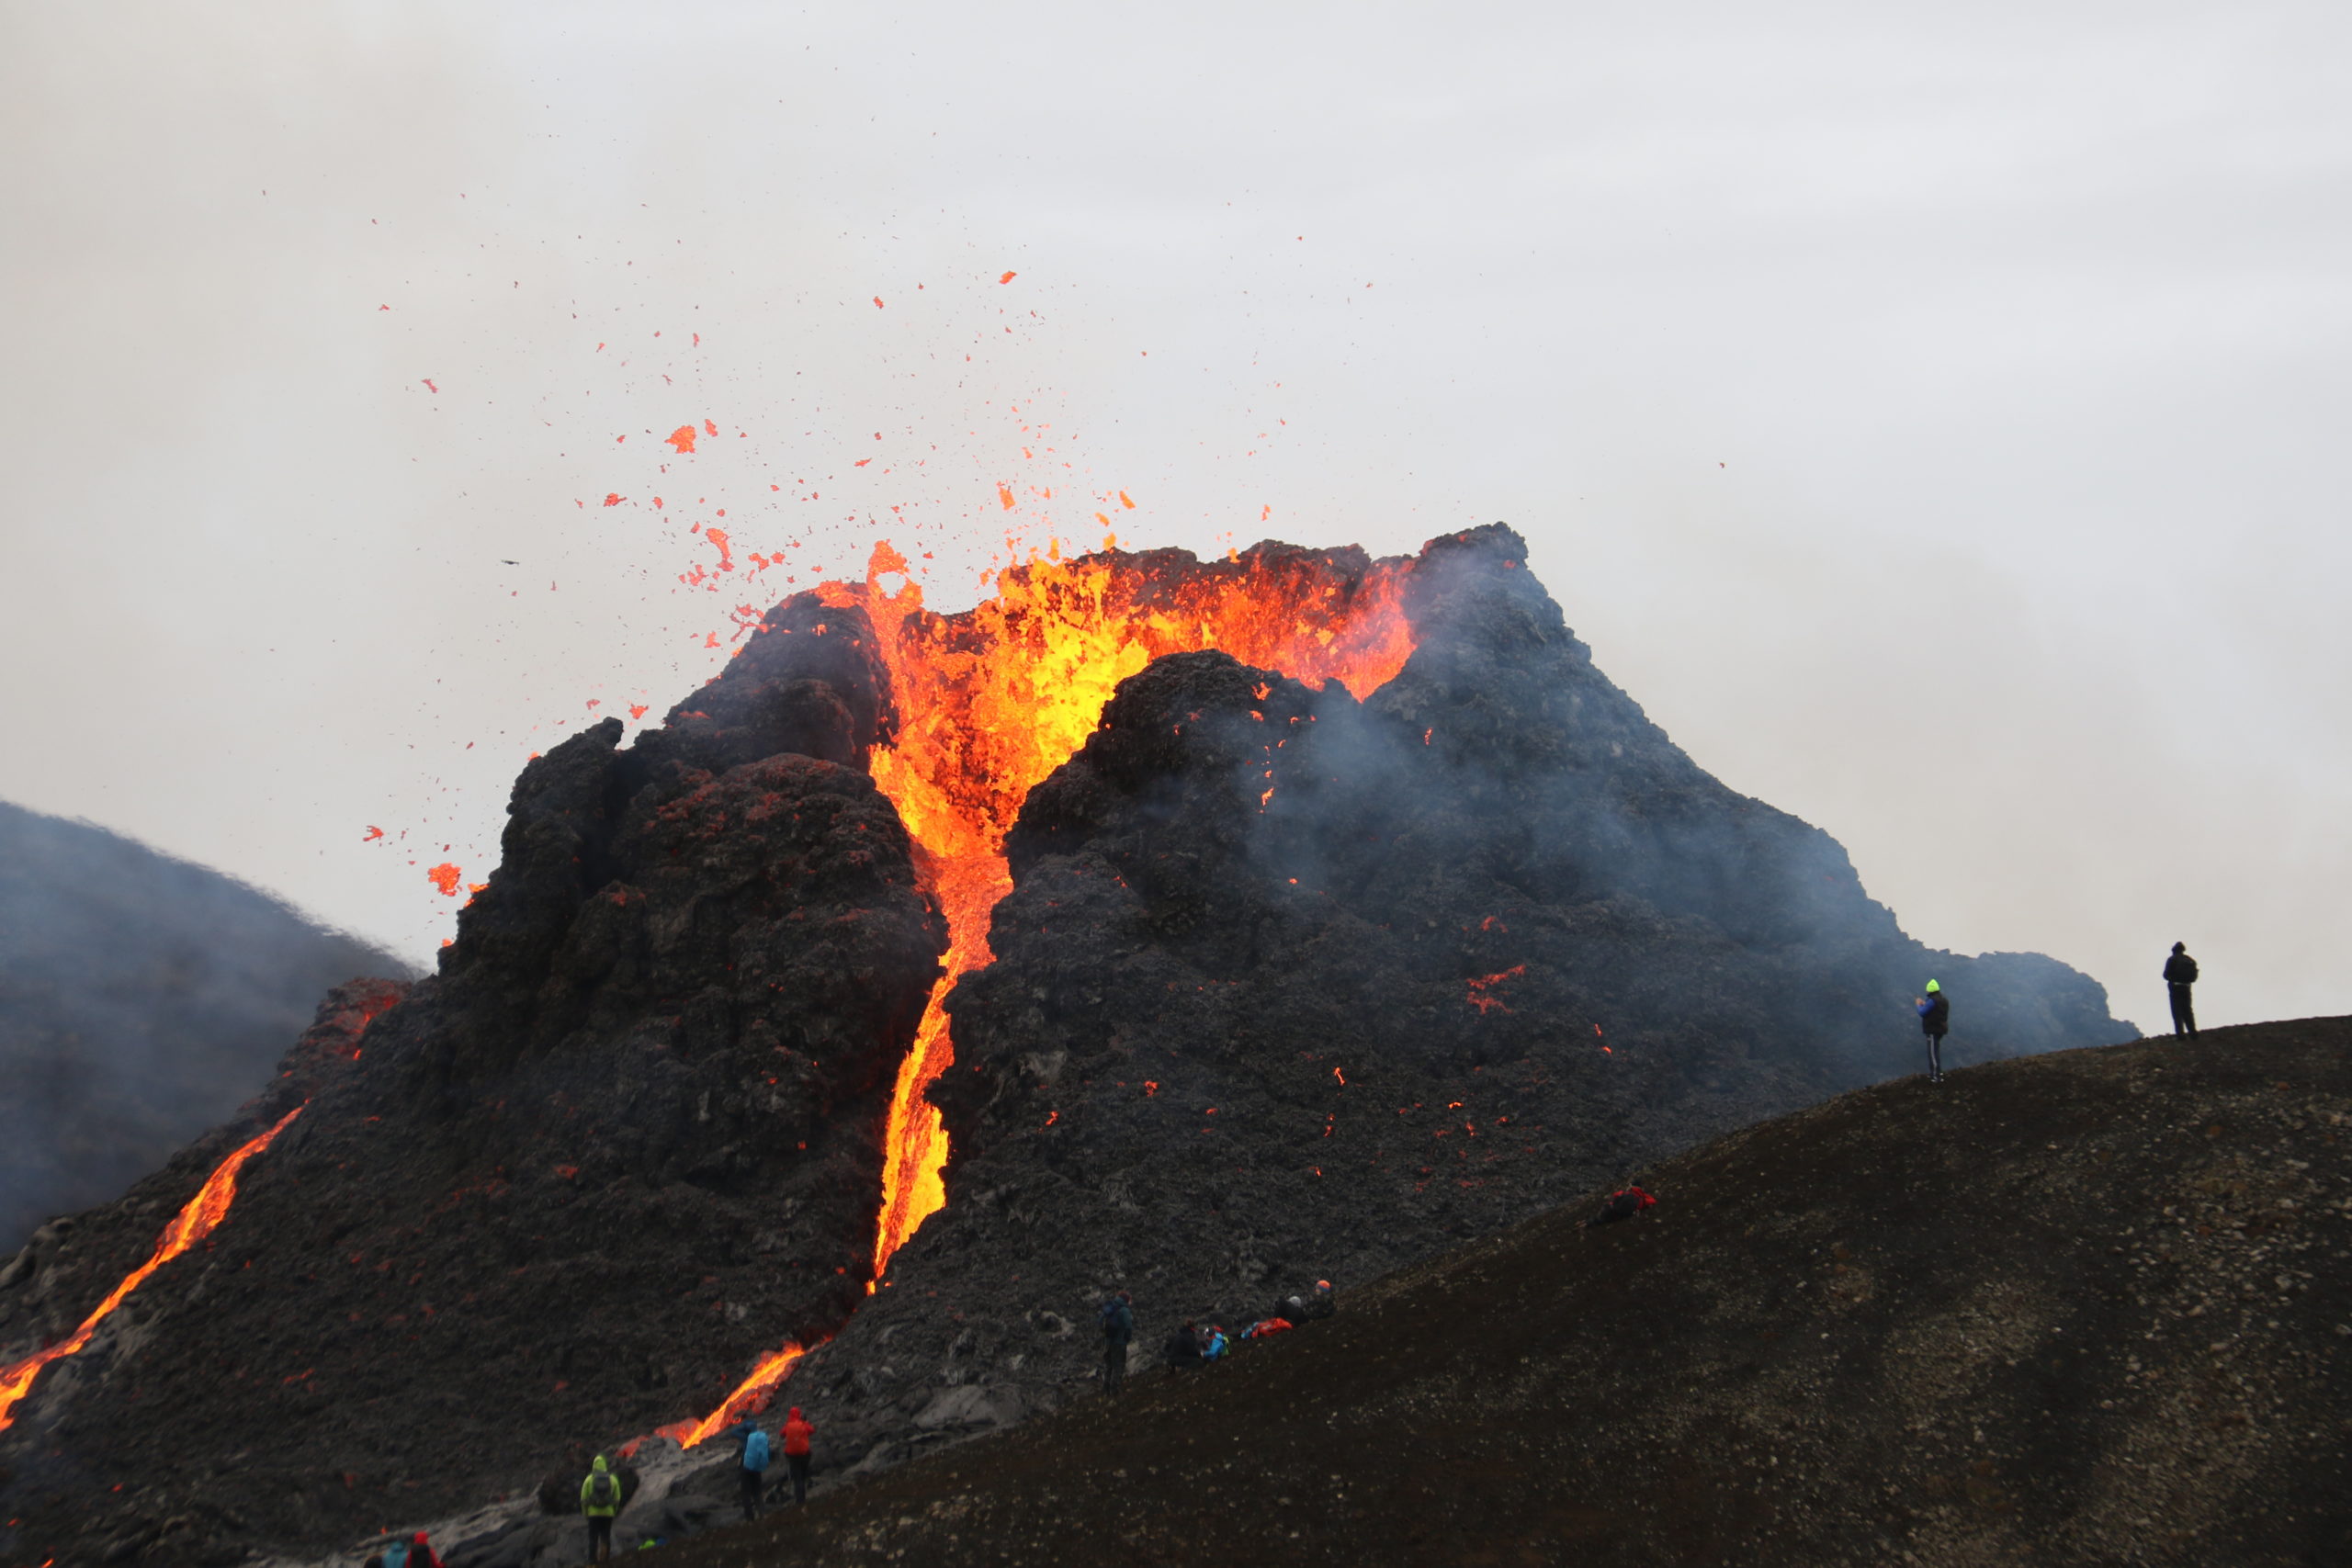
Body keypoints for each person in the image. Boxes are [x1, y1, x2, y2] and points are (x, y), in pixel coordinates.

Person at [581, 1454, 625, 1561]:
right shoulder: (612, 1479)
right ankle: (604, 1560)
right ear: (605, 1465)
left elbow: (583, 1499)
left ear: (594, 1465)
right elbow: (617, 1498)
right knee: (605, 1536)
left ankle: (592, 1561)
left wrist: (585, 1513)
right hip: (608, 1514)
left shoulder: (589, 1479)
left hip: (593, 1514)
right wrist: (614, 1511)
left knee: (593, 1538)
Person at [732, 1417, 772, 1521]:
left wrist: (743, 1425)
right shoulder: (761, 1437)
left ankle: (750, 1517)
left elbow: (733, 1432)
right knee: (757, 1492)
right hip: (757, 1467)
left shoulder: (745, 1437)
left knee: (746, 1493)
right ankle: (762, 1513)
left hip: (746, 1467)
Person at [1915, 979, 1951, 1084]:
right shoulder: (1943, 999)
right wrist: (1925, 1003)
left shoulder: (1932, 1001)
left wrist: (1918, 1004)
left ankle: (1936, 1076)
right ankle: (1937, 1073)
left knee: (1933, 1053)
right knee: (1935, 1051)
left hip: (1932, 1029)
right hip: (1941, 1029)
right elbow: (1936, 1010)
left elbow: (1922, 1012)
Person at [1100, 1290, 1135, 1393]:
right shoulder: (1124, 1311)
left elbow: (1099, 1322)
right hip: (1119, 1343)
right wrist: (1127, 1338)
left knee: (1109, 1366)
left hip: (1108, 1342)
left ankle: (1105, 1389)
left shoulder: (1110, 1308)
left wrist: (1106, 1335)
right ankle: (1115, 1390)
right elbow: (1128, 1327)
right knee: (1118, 1366)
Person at [782, 1405, 816, 1506]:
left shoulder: (788, 1425)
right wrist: (805, 1422)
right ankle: (804, 1497)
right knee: (803, 1476)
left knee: (797, 1479)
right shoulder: (803, 1424)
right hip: (804, 1455)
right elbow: (812, 1430)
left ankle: (799, 1501)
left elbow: (781, 1434)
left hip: (792, 1456)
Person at [2164, 942, 2199, 1037]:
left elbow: (2165, 975)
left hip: (2175, 987)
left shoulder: (2172, 959)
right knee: (2187, 1009)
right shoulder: (2189, 960)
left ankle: (2180, 1034)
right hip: (2187, 987)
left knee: (2176, 1010)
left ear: (2174, 950)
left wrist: (2172, 978)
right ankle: (2192, 1032)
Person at [1587, 1184, 1656, 1227]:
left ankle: (1589, 1222)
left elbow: (1615, 1195)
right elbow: (1653, 1200)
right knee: (1605, 1220)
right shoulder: (1641, 1200)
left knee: (1602, 1215)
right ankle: (1591, 1223)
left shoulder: (1625, 1193)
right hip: (1621, 1216)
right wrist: (1642, 1194)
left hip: (1612, 1209)